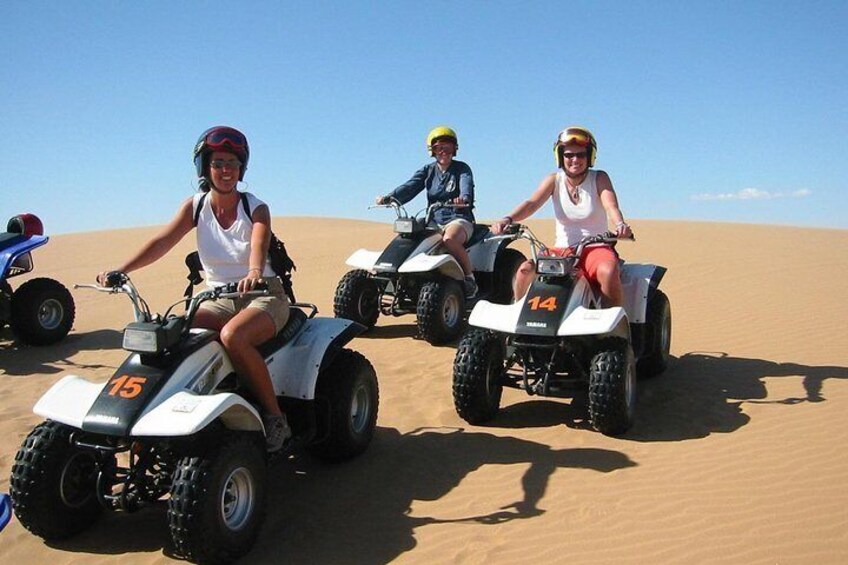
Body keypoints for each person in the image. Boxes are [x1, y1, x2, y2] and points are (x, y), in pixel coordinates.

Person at [97, 126, 292, 452]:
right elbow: (162, 241)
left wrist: (255, 270)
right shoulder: (196, 206)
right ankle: (155, 414)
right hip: (217, 297)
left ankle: (275, 418)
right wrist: (121, 269)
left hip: (264, 295)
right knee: (171, 334)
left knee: (234, 337)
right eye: (218, 163)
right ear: (205, 167)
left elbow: (260, 240)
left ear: (241, 168)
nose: (226, 170)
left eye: (232, 162)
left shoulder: (255, 207)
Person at [491, 126, 633, 305]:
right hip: (562, 251)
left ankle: (612, 328)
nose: (575, 159)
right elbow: (532, 203)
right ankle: (519, 320)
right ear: (560, 157)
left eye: (581, 154)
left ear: (590, 156)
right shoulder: (554, 180)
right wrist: (508, 219)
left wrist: (620, 224)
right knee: (524, 271)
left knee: (608, 270)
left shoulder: (599, 178)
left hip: (595, 248)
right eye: (569, 155)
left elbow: (610, 205)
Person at [376, 126, 478, 297]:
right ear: (432, 151)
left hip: (458, 218)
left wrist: (464, 198)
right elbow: (410, 186)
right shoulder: (428, 170)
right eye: (439, 148)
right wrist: (390, 198)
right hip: (433, 219)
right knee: (408, 234)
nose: (443, 152)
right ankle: (397, 276)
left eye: (448, 147)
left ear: (455, 149)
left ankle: (469, 279)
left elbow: (466, 186)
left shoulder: (462, 168)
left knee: (449, 239)